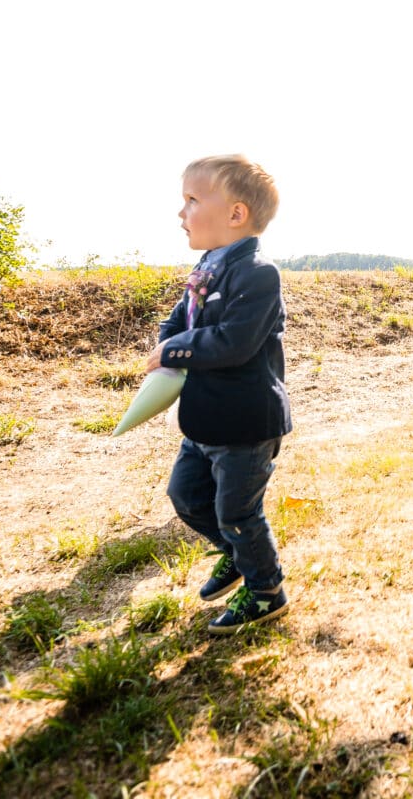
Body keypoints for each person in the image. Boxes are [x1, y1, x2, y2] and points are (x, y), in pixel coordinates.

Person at [146, 155, 294, 635]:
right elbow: (180, 318)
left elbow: (233, 341)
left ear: (235, 215)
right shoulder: (207, 265)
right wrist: (165, 341)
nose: (181, 213)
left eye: (192, 200)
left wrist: (177, 349)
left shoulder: (258, 273)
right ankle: (237, 553)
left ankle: (267, 589)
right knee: (186, 495)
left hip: (246, 422)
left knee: (237, 510)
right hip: (205, 418)